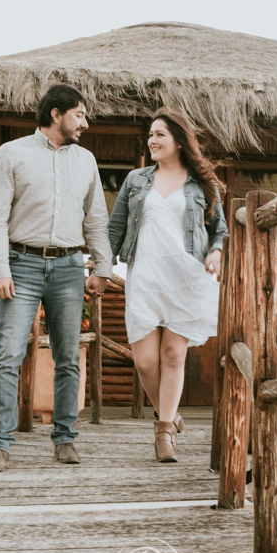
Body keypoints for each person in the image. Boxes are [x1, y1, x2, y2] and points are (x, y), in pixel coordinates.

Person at [0, 84, 112, 473]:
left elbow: (96, 219)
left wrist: (103, 267)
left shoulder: (86, 160)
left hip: (70, 268)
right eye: (80, 114)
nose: (84, 123)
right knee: (8, 354)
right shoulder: (11, 154)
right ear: (56, 114)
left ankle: (65, 438)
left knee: (68, 357)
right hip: (21, 264)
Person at [108, 108, 226, 462]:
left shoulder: (203, 184)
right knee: (145, 362)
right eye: (150, 134)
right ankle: (171, 416)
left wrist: (216, 253)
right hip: (144, 277)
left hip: (185, 278)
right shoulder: (136, 180)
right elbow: (116, 228)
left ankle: (163, 436)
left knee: (173, 355)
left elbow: (218, 229)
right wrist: (101, 265)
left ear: (178, 140)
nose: (152, 140)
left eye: (160, 134)